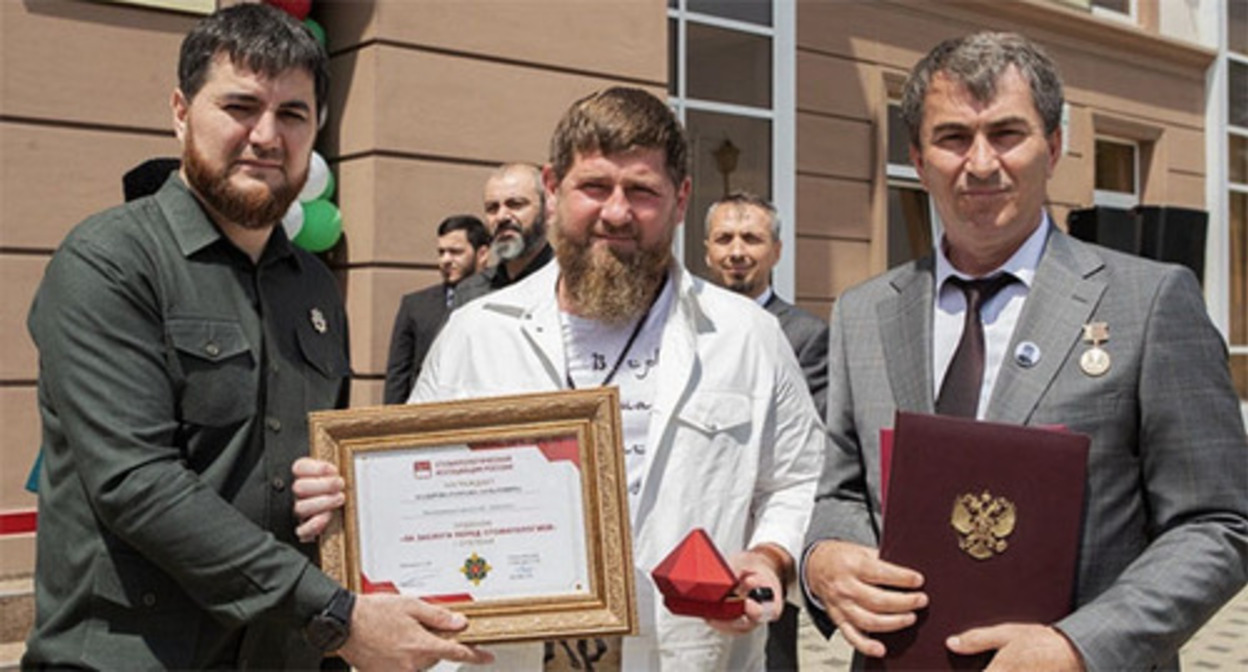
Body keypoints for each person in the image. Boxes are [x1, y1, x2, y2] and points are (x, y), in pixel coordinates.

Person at [23, 5, 491, 670]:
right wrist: (337, 615)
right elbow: (136, 482)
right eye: (240, 106)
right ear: (181, 111)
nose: (267, 136)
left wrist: (341, 495)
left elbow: (307, 461)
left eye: (293, 114)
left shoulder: (315, 287)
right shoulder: (109, 262)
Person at [296, 86, 826, 670]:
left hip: (687, 652)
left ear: (681, 200)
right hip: (502, 656)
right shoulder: (476, 334)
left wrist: (770, 554)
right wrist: (349, 497)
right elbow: (409, 485)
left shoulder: (746, 336)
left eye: (643, 191)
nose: (617, 212)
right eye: (595, 187)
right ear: (552, 188)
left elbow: (798, 479)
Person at [801, 31, 1248, 671]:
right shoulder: (863, 313)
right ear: (918, 160)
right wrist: (824, 559)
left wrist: (1080, 646)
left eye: (1007, 134)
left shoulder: (1148, 303)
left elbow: (1219, 524)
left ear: (1055, 146)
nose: (981, 163)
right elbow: (838, 488)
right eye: (953, 138)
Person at [703, 191, 829, 670]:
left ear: (776, 251)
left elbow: (805, 452)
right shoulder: (686, 330)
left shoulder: (803, 335)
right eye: (725, 239)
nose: (737, 251)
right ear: (707, 251)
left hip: (763, 539)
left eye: (752, 238)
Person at [383, 214, 491, 404]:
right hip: (428, 418)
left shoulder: (501, 301)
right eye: (441, 252)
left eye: (455, 252)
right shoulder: (415, 306)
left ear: (482, 254)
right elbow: (397, 378)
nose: (445, 260)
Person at [452, 162, 554, 307]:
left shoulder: (569, 289)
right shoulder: (470, 293)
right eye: (492, 208)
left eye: (515, 204)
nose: (501, 217)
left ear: (548, 212)